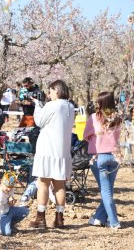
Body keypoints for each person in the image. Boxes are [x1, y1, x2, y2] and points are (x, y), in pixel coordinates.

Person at [29, 80, 75, 229]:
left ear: (57, 90)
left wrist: (37, 104)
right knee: (60, 184)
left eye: (50, 91)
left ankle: (41, 218)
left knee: (43, 183)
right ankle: (60, 218)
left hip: (47, 149)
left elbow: (39, 121)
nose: (49, 94)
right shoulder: (70, 107)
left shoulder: (52, 105)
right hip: (62, 151)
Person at [83, 92, 122, 229]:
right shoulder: (118, 118)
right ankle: (99, 218)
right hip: (115, 157)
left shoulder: (94, 118)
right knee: (108, 191)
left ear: (101, 103)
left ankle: (114, 222)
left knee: (106, 192)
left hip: (99, 157)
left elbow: (85, 136)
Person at [0, 172, 29, 236]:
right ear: (2, 183)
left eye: (11, 187)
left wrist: (11, 201)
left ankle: (10, 224)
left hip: (8, 210)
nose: (9, 189)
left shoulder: (10, 190)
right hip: (1, 214)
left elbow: (10, 197)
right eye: (7, 186)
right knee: (7, 233)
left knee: (25, 210)